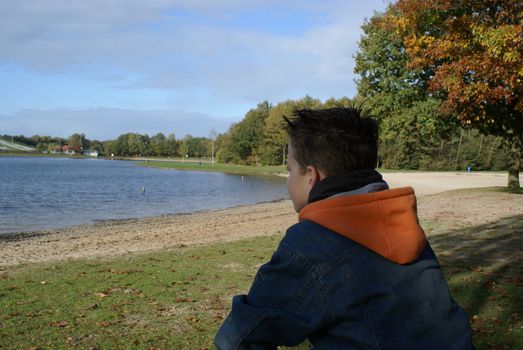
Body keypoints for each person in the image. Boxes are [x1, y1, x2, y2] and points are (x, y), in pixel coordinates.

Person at [215, 107, 474, 349]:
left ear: (310, 176)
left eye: (289, 169)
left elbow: (239, 337)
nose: (288, 179)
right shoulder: (401, 225)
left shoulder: (311, 244)